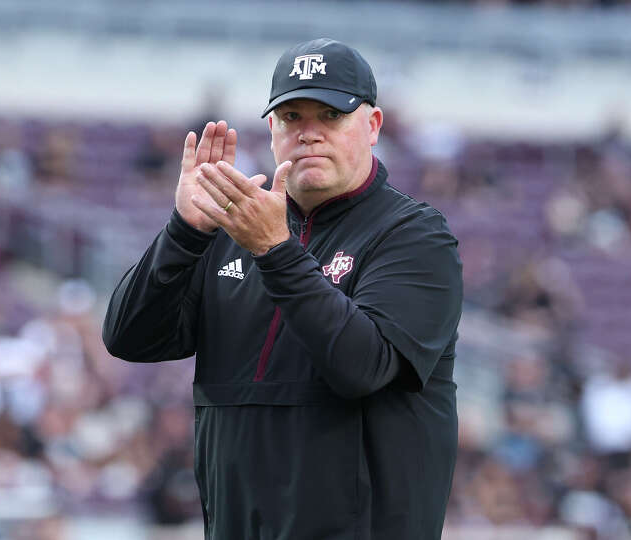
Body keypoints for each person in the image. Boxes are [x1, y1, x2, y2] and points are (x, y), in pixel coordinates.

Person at [104, 38, 463, 540]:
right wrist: (185, 231)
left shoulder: (414, 236)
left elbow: (363, 367)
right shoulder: (235, 231)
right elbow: (128, 338)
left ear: (373, 126)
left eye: (330, 116)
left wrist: (275, 252)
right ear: (272, 130)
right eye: (292, 117)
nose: (309, 134)